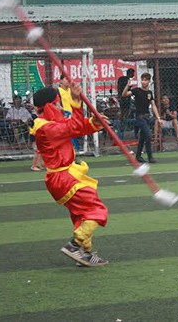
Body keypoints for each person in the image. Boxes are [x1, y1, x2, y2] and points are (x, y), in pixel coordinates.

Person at [29, 85, 109, 267]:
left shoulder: (49, 125)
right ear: (49, 106)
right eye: (57, 105)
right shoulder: (45, 128)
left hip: (64, 177)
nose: (59, 108)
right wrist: (76, 102)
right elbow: (72, 127)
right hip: (63, 178)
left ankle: (85, 253)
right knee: (97, 211)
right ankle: (74, 244)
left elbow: (73, 127)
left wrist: (94, 123)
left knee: (81, 215)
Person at [122, 72, 161, 163]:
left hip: (147, 117)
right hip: (140, 117)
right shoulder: (137, 90)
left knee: (143, 137)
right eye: (142, 80)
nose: (143, 82)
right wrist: (128, 86)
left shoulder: (149, 93)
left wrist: (158, 117)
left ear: (149, 81)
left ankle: (138, 156)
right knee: (148, 135)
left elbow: (153, 105)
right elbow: (124, 94)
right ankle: (150, 156)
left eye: (145, 80)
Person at [58, 75, 80, 152]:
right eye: (65, 79)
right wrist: (62, 111)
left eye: (69, 79)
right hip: (64, 116)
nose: (68, 81)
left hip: (74, 116)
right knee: (68, 134)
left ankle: (75, 149)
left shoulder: (71, 91)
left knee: (74, 134)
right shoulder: (58, 91)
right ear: (60, 81)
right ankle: (72, 149)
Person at [117, 68, 135, 139]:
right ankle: (123, 124)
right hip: (125, 99)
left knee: (123, 112)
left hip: (123, 99)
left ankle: (123, 123)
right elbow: (125, 89)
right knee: (125, 112)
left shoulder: (122, 79)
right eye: (132, 74)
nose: (133, 75)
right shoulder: (125, 80)